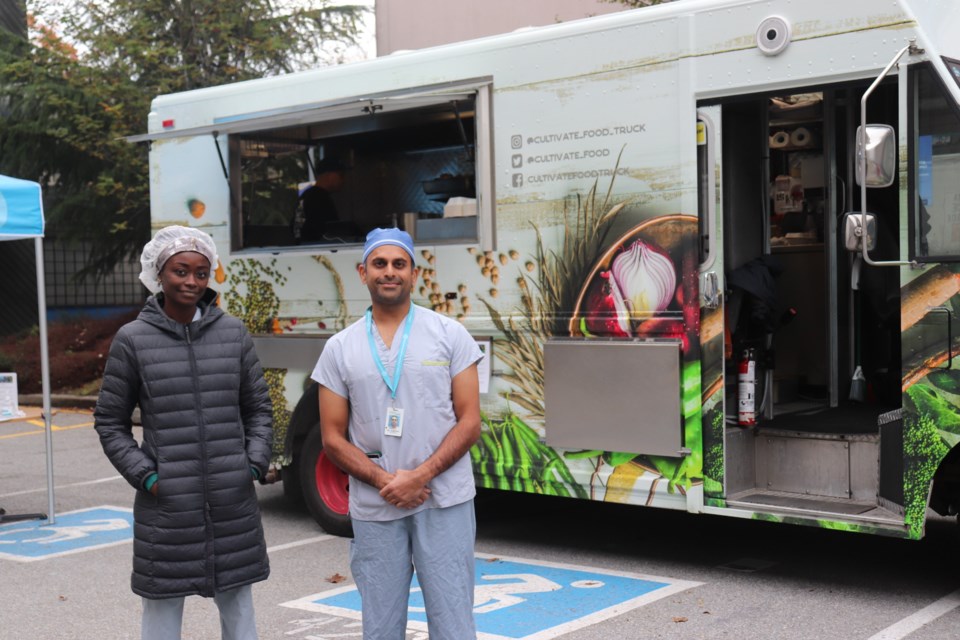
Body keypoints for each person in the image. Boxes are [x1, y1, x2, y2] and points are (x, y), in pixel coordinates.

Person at [94, 225, 273, 640]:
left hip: (232, 502)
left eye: (200, 272)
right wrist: (149, 477)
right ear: (159, 274)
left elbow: (259, 409)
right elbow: (110, 422)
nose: (191, 281)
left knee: (239, 608)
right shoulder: (133, 340)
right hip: (167, 506)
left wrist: (251, 465)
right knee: (161, 608)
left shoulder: (233, 334)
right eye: (180, 271)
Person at [312, 228, 483, 640]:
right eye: (380, 264)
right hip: (376, 506)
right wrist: (387, 482)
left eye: (398, 264)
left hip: (443, 501)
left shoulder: (449, 334)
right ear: (363, 273)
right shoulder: (340, 347)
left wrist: (419, 476)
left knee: (453, 621)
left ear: (414, 274)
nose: (389, 272)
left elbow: (470, 421)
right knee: (381, 625)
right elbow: (332, 438)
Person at [297, 158, 346, 242]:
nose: (343, 180)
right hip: (318, 249)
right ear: (329, 175)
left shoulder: (307, 195)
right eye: (340, 175)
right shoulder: (318, 198)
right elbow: (329, 231)